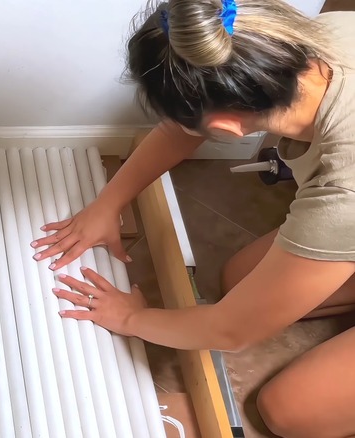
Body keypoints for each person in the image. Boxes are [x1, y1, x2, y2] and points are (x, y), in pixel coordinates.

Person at [31, 1, 355, 436]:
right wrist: (108, 203)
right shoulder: (310, 39)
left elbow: (231, 330)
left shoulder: (343, 189)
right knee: (242, 279)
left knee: (292, 411)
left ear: (225, 127)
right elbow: (180, 130)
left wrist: (130, 319)